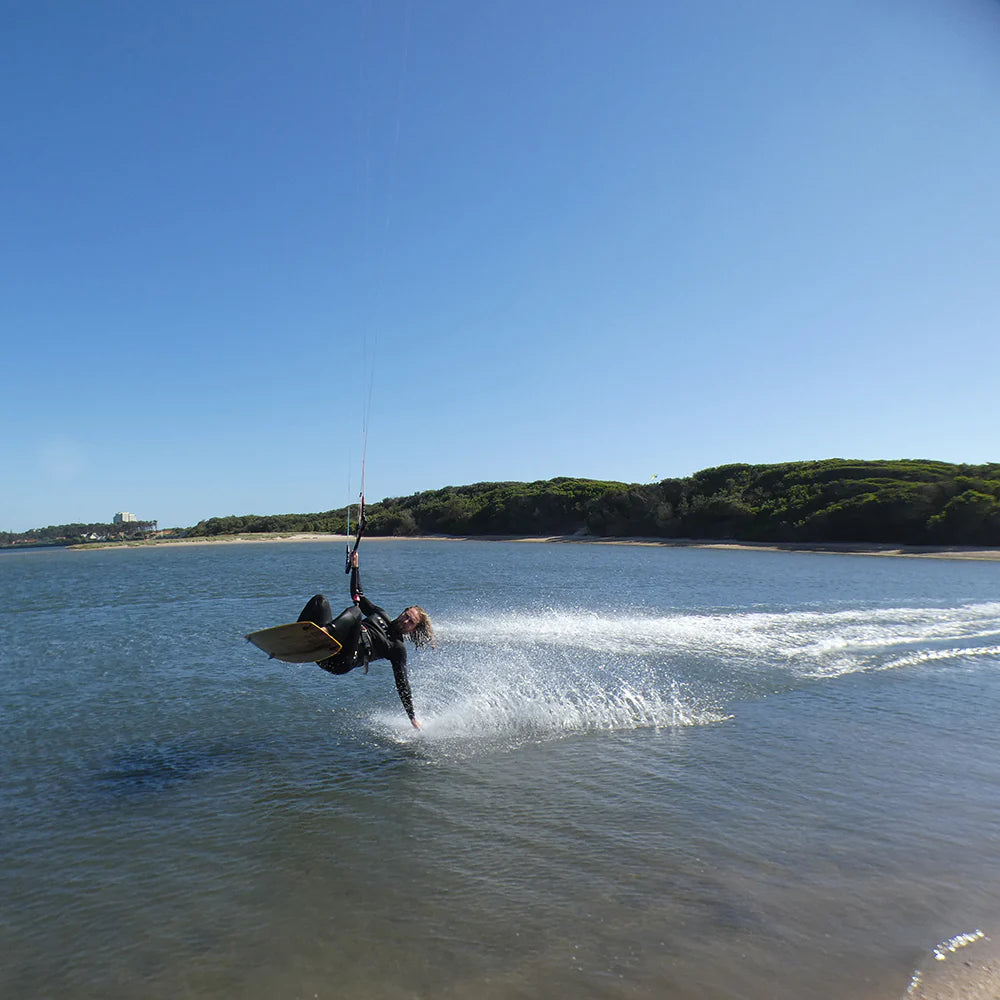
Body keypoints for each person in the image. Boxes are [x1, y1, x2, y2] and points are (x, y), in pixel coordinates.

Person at [296, 551, 433, 729]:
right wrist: (355, 566)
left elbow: (402, 683)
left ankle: (324, 631)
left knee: (356, 613)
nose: (405, 620)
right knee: (320, 601)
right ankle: (297, 636)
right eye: (406, 615)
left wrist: (412, 717)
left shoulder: (397, 648)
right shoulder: (380, 614)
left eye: (410, 621)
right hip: (329, 647)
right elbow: (357, 595)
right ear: (402, 611)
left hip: (341, 661)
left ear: (413, 629)